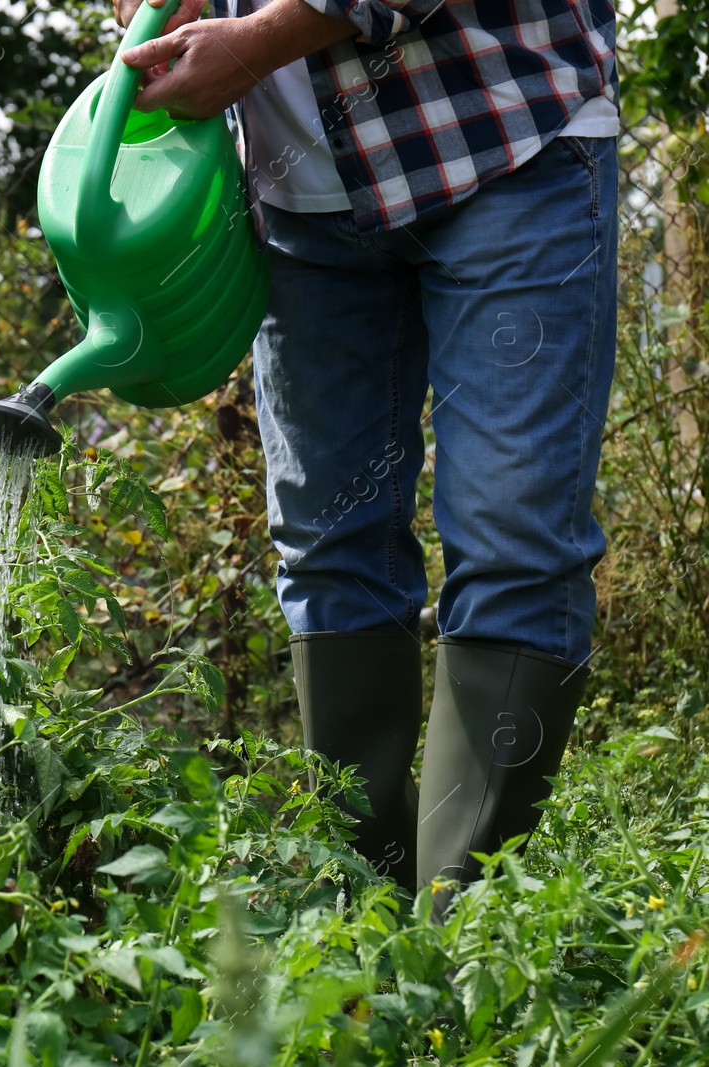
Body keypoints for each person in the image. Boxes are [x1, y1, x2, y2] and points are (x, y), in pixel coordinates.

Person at [112, 0, 618, 912]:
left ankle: (460, 948)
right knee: (331, 552)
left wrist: (263, 40)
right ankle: (366, 941)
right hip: (293, 188)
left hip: (499, 131)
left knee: (515, 546)